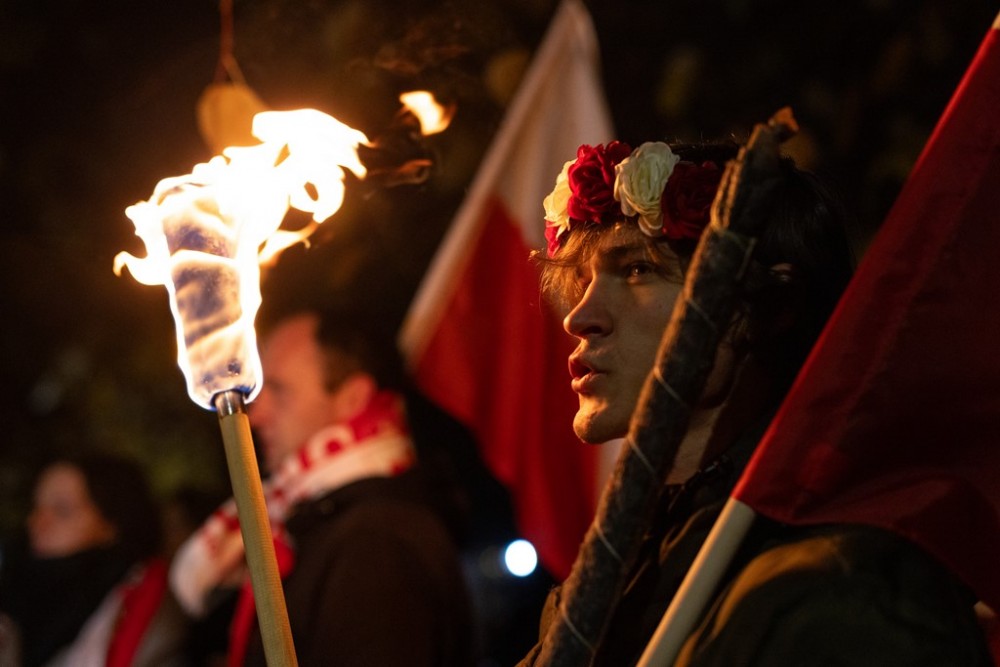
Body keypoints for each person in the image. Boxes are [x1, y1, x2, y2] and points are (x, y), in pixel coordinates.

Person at [517, 134, 992, 664]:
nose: (578, 317)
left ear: (766, 307)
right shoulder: (617, 573)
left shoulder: (850, 589)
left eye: (637, 269)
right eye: (582, 281)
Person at [169, 299, 476, 666]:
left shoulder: (376, 543)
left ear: (352, 398)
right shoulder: (321, 525)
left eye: (278, 390)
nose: (257, 414)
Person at [0, 452, 188, 667]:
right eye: (36, 507)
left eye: (62, 510)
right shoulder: (14, 596)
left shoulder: (146, 610)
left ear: (112, 525)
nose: (37, 522)